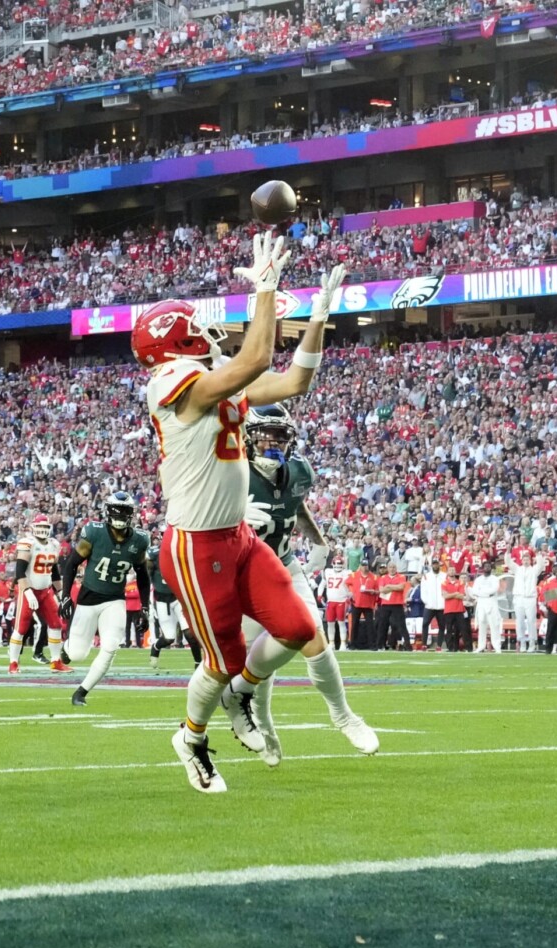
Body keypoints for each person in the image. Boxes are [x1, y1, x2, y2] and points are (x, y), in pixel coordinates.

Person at [136, 234, 369, 794]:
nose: (206, 331)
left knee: (295, 627)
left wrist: (316, 318)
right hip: (196, 546)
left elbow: (293, 381)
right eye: (195, 327)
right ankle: (191, 738)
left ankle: (243, 694)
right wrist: (265, 289)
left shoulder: (213, 381)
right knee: (223, 658)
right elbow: (259, 357)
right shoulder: (172, 384)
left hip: (238, 537)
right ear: (176, 343)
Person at [239, 402, 375, 765]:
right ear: (247, 438)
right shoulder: (230, 473)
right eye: (265, 436)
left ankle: (344, 715)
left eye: (280, 437)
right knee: (257, 663)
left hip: (283, 566)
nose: (273, 444)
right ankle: (265, 725)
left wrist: (317, 540)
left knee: (312, 634)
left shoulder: (299, 470)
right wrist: (233, 517)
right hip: (243, 577)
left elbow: (296, 506)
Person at [60, 491, 151, 706]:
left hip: (114, 600)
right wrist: (65, 597)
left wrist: (145, 608)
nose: (120, 515)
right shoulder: (94, 532)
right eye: (116, 511)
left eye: (124, 512)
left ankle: (81, 692)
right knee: (78, 653)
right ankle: (67, 649)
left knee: (111, 646)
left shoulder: (139, 540)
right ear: (108, 512)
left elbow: (143, 574)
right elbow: (72, 563)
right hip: (88, 598)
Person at [7, 514, 67, 674]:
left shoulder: (54, 544)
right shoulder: (28, 543)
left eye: (46, 527)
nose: (43, 530)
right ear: (33, 528)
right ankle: (13, 663)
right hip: (29, 589)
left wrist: (60, 592)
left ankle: (56, 662)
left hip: (45, 591)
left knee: (56, 624)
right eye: (40, 527)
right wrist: (27, 592)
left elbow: (54, 571)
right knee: (21, 627)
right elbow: (19, 571)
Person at [147, 541, 201, 668]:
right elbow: (145, 571)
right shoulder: (154, 555)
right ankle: (155, 647)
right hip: (161, 600)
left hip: (178, 598)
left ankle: (198, 663)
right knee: (169, 638)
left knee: (190, 634)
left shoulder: (182, 554)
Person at [505, 549, 541, 652]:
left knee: (531, 621)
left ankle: (532, 643)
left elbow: (541, 565)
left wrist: (537, 555)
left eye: (527, 559)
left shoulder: (534, 570)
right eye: (524, 559)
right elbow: (508, 562)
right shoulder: (517, 569)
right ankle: (522, 643)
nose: (526, 561)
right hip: (519, 598)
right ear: (521, 560)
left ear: (530, 560)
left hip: (530, 598)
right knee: (519, 621)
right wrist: (508, 551)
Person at [470, 563, 503, 653]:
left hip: (491, 602)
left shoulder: (495, 579)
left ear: (491, 568)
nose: (487, 568)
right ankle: (481, 646)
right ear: (483, 568)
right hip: (481, 603)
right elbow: (474, 591)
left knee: (494, 625)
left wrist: (481, 592)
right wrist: (484, 593)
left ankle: (496, 646)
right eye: (485, 566)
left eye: (488, 566)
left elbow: (493, 590)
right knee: (481, 624)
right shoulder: (478, 579)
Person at [320, 552, 349, 650]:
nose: (338, 566)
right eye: (336, 564)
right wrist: (319, 594)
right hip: (331, 601)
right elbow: (322, 583)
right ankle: (331, 643)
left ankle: (343, 644)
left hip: (342, 600)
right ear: (332, 564)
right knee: (330, 623)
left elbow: (352, 585)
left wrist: (350, 595)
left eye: (340, 564)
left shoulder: (347, 573)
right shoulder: (328, 572)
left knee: (341, 622)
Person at [440, 567, 467, 651]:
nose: (452, 571)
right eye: (450, 570)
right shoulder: (444, 583)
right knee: (449, 630)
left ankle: (460, 647)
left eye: (453, 570)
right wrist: (456, 593)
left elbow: (462, 596)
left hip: (459, 609)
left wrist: (451, 594)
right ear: (447, 572)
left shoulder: (460, 582)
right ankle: (450, 647)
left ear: (455, 571)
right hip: (448, 610)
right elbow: (445, 596)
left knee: (461, 629)